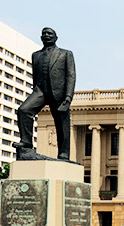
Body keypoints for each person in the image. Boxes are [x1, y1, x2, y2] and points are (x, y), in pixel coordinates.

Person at [15, 27, 75, 160]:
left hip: (58, 92)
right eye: (44, 34)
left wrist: (68, 97)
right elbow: (35, 75)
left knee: (61, 124)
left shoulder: (65, 54)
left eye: (50, 33)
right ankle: (26, 141)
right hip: (40, 90)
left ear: (56, 37)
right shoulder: (36, 55)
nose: (46, 35)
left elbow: (71, 76)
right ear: (41, 38)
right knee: (23, 110)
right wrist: (35, 90)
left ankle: (63, 153)